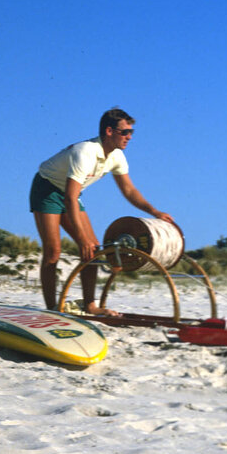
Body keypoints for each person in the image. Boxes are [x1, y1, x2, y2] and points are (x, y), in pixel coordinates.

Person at [30, 108, 174, 316]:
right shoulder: (85, 152)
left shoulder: (117, 156)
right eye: (125, 132)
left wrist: (154, 211)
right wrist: (81, 238)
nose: (129, 137)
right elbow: (70, 197)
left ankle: (90, 305)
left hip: (70, 194)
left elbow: (129, 190)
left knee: (93, 252)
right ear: (109, 131)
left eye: (131, 132)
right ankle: (52, 308)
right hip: (47, 189)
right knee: (53, 251)